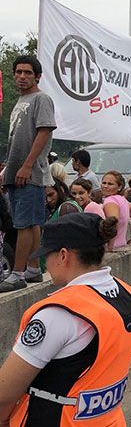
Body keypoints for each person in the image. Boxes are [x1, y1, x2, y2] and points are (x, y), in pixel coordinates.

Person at [0, 214, 131, 425]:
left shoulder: (58, 314)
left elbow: (5, 392)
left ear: (63, 255)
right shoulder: (129, 295)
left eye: (46, 255)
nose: (45, 262)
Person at [0, 55, 56, 293]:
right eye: (19, 72)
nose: (22, 76)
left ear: (37, 76)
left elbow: (43, 132)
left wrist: (26, 165)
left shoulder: (41, 98)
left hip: (30, 172)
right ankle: (33, 268)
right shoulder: (21, 101)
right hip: (16, 170)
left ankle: (17, 273)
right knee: (32, 222)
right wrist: (7, 169)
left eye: (28, 73)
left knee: (23, 224)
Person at [101, 171, 131, 250]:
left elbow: (112, 223)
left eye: (110, 184)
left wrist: (109, 247)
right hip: (122, 245)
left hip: (113, 247)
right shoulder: (123, 200)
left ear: (119, 187)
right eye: (104, 183)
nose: (105, 186)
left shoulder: (110, 201)